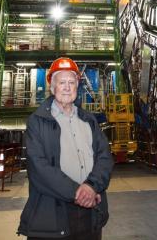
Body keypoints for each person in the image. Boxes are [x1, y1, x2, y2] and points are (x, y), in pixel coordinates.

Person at [18, 57, 113, 239]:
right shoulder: (37, 122)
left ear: (78, 86)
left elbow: (105, 157)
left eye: (72, 82)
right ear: (52, 87)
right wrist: (78, 193)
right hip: (53, 213)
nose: (67, 87)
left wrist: (92, 187)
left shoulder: (89, 120)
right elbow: (38, 167)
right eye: (62, 82)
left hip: (90, 213)